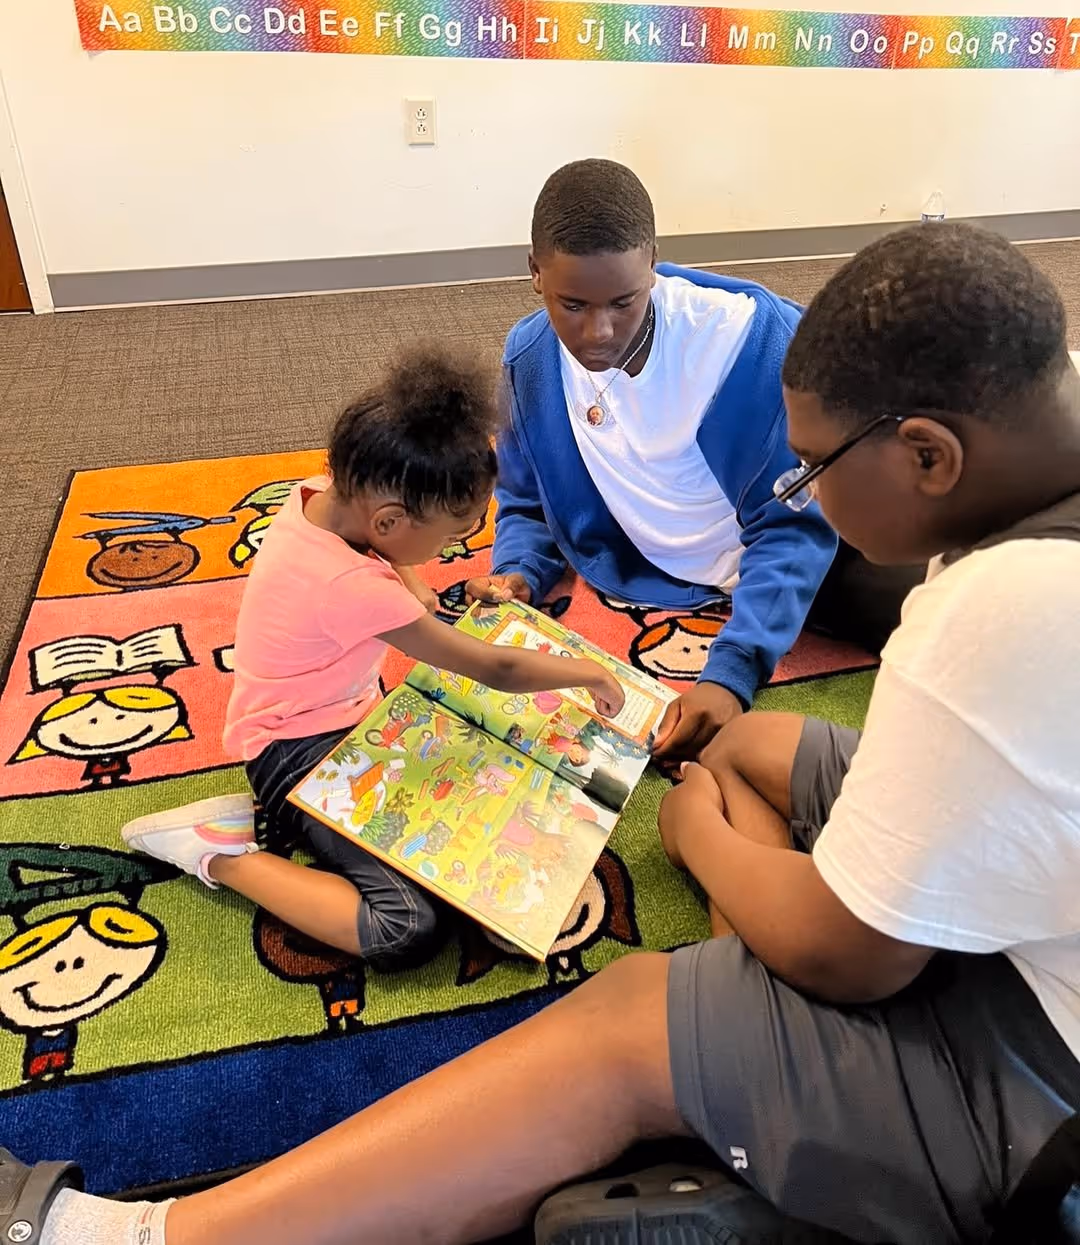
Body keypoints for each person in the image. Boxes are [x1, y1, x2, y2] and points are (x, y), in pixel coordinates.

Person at [8, 222, 1080, 1245]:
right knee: (747, 747)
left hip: (1036, 1080)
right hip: (1033, 902)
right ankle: (760, 1092)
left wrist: (697, 832)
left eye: (803, 474)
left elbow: (850, 960)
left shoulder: (990, 620)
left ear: (930, 454)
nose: (797, 495)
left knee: (625, 1013)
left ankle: (145, 1229)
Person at [118, 345, 623, 974]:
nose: (450, 550)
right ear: (387, 520)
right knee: (405, 928)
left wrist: (409, 578)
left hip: (341, 712)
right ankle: (217, 853)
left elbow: (389, 555)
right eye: (448, 536)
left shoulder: (326, 492)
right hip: (291, 751)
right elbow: (496, 669)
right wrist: (591, 671)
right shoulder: (350, 587)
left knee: (476, 780)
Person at [465, 159, 924, 761]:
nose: (598, 331)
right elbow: (525, 499)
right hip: (679, 569)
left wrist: (732, 671)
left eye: (624, 302)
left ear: (652, 261)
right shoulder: (529, 360)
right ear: (534, 273)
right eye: (572, 305)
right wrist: (520, 569)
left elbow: (792, 524)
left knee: (947, 622)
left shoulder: (750, 347)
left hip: (826, 538)